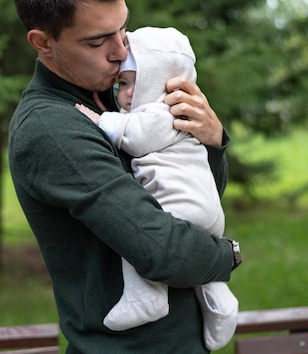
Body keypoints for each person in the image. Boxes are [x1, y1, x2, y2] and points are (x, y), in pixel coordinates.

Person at [9, 0, 241, 354]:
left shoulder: (124, 94)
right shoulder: (50, 129)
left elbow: (194, 198)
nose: (121, 51)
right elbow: (162, 251)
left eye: (123, 28)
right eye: (98, 41)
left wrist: (211, 141)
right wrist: (228, 255)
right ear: (43, 42)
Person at [75, 26, 238, 351]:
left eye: (135, 82)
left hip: (179, 206)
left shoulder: (162, 112)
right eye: (124, 83)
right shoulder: (49, 122)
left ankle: (145, 296)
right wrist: (223, 258)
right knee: (150, 235)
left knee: (137, 235)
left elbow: (136, 136)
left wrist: (101, 121)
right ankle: (221, 301)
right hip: (204, 211)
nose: (128, 94)